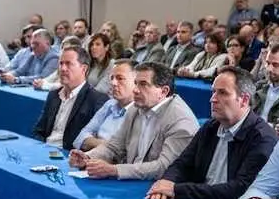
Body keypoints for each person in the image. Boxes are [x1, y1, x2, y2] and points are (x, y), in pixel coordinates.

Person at [148, 67, 278, 199]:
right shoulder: (211, 126)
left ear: (244, 100)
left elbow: (239, 189)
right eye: (213, 92)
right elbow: (183, 163)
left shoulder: (262, 138)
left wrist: (177, 190)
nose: (212, 99)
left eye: (222, 93)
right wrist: (166, 181)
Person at [69, 63, 198, 180]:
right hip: (134, 181)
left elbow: (163, 167)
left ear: (163, 91)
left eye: (143, 84)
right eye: (136, 83)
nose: (135, 90)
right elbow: (114, 147)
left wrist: (114, 170)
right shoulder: (137, 107)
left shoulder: (181, 121)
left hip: (158, 190)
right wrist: (88, 158)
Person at [31, 47, 109, 150]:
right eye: (61, 63)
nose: (63, 69)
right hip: (45, 149)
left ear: (84, 69)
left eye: (68, 64)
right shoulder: (54, 95)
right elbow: (38, 131)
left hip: (69, 156)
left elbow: (90, 142)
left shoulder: (96, 99)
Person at [74, 59, 134, 151]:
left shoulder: (138, 114)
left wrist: (92, 141)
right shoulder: (109, 104)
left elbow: (121, 152)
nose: (113, 83)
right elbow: (79, 139)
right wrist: (104, 144)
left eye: (120, 78)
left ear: (136, 82)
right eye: (112, 78)